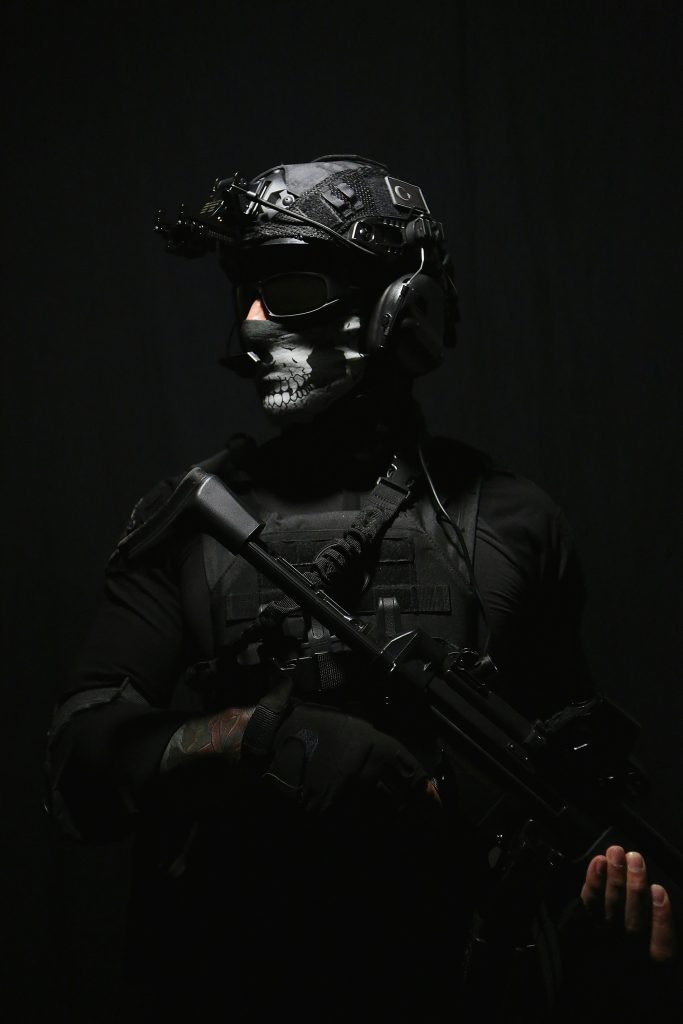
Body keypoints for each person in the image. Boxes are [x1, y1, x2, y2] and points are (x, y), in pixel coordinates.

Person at [46, 155, 677, 1021]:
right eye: (246, 292)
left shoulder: (509, 522)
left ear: (397, 307)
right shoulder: (190, 519)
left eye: (289, 287)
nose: (253, 323)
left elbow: (559, 792)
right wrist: (255, 741)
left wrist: (600, 913)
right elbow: (78, 769)